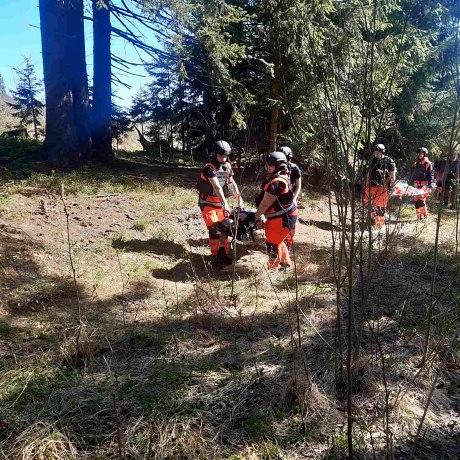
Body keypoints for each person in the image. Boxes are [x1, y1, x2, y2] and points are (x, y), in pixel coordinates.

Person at [197, 140, 244, 267]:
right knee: (214, 230)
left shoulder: (227, 166)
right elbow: (217, 187)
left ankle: (223, 253)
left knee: (226, 228)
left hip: (220, 203)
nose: (223, 158)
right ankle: (215, 256)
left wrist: (239, 197)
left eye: (225, 156)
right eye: (220, 155)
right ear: (215, 154)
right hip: (208, 203)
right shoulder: (209, 169)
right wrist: (225, 204)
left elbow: (231, 182)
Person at [254, 151, 298, 270]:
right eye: (267, 165)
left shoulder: (278, 183)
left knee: (272, 244)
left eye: (271, 165)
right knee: (277, 240)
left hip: (282, 218)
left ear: (278, 166)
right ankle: (286, 263)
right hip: (280, 216)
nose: (268, 167)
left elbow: (265, 203)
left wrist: (256, 217)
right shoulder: (279, 177)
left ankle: (273, 269)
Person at [364, 144, 396, 228]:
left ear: (382, 152)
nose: (376, 153)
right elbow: (368, 173)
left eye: (378, 152)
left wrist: (392, 186)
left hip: (382, 187)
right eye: (375, 151)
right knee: (370, 205)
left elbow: (392, 175)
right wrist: (366, 184)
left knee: (381, 207)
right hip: (371, 186)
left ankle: (379, 225)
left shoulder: (389, 161)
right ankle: (371, 222)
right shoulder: (372, 160)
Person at [408, 147, 435, 219]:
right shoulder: (415, 164)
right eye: (419, 153)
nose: (420, 155)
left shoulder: (429, 164)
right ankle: (419, 217)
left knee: (421, 200)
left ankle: (425, 215)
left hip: (425, 185)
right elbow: (412, 174)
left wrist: (429, 185)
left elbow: (431, 175)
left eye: (422, 153)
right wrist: (410, 183)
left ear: (424, 154)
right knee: (416, 201)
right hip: (416, 185)